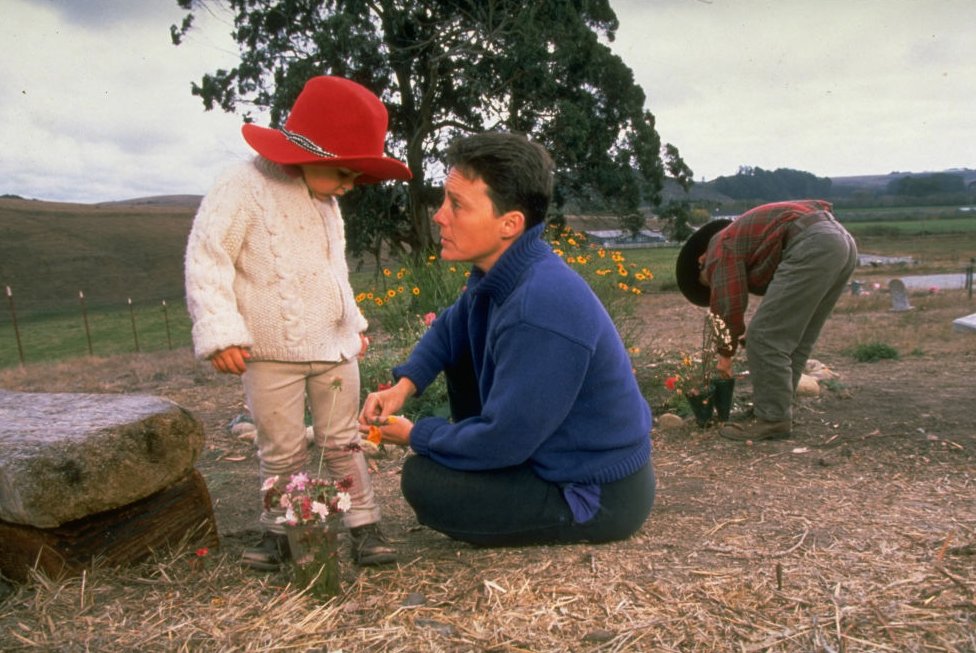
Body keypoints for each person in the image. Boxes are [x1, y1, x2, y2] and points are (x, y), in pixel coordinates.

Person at [358, 132, 655, 547]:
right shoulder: (501, 273)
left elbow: (505, 439)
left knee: (426, 482)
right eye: (445, 200)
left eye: (457, 205)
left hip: (596, 491)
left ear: (510, 223)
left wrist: (415, 435)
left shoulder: (539, 306)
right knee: (447, 435)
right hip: (552, 456)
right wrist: (403, 386)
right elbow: (450, 327)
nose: (439, 216)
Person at [184, 75, 411, 568]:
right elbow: (208, 257)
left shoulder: (326, 200)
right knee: (281, 449)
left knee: (342, 442)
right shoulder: (243, 186)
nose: (350, 187)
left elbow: (332, 272)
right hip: (269, 353)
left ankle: (364, 526)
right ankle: (282, 533)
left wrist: (353, 325)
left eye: (356, 178)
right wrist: (220, 330)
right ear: (308, 153)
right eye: (345, 174)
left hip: (332, 350)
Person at [675, 200, 857, 441]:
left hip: (814, 242)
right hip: (840, 241)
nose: (714, 287)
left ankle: (773, 419)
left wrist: (725, 358)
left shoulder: (718, 248)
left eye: (708, 283)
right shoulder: (739, 239)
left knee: (763, 337)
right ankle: (776, 409)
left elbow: (728, 305)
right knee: (795, 339)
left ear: (701, 261)